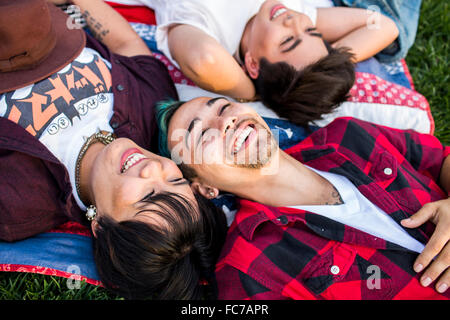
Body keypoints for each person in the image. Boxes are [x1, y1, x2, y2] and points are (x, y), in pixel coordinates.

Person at [0, 0, 227, 300]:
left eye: (147, 197)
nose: (152, 169)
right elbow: (124, 41)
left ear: (100, 226)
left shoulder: (15, 203)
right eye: (174, 180)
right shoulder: (151, 107)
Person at [157, 97, 450, 299]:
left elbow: (440, 159)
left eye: (222, 107)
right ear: (206, 189)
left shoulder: (348, 133)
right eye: (203, 135)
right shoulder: (248, 270)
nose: (226, 123)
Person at [130, 0, 405, 126]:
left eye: (287, 41)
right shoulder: (294, 10)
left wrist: (250, 91)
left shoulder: (205, 25)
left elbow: (205, 60)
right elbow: (382, 24)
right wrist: (327, 64)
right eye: (313, 33)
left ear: (252, 66)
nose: (294, 20)